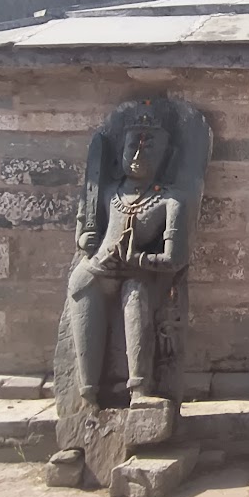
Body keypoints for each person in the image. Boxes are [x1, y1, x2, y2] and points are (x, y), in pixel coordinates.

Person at [66, 117, 188, 405]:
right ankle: (88, 395)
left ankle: (140, 389)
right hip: (94, 271)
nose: (137, 155)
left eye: (148, 149)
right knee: (83, 289)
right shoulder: (108, 192)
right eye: (132, 146)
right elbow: (84, 233)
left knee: (136, 295)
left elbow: (175, 259)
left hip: (138, 273)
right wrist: (86, 238)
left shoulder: (170, 201)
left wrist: (137, 259)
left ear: (165, 156)